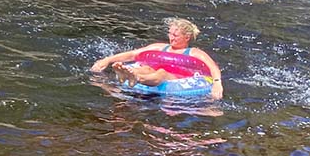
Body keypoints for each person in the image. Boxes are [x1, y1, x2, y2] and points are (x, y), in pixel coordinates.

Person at [90, 18, 223, 100]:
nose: (171, 38)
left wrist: (217, 83)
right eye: (170, 33)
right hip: (152, 75)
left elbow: (213, 67)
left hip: (178, 79)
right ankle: (130, 74)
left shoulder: (194, 53)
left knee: (162, 73)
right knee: (146, 68)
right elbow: (134, 54)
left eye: (176, 35)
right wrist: (107, 60)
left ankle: (137, 78)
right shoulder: (160, 47)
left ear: (187, 37)